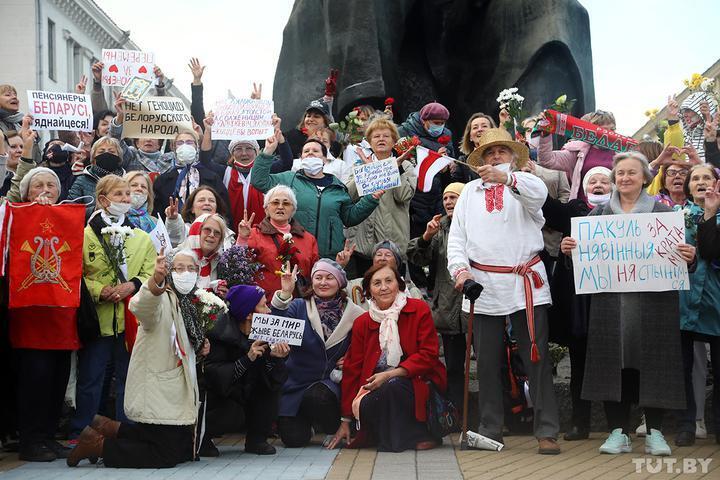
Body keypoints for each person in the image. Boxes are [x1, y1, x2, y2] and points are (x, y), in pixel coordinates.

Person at [560, 151, 694, 456]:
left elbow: (682, 260)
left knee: (655, 364)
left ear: (645, 177)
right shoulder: (599, 216)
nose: (625, 178)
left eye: (632, 173)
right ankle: (617, 431)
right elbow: (582, 265)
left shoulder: (662, 214)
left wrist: (690, 257)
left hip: (654, 304)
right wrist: (570, 252)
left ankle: (655, 432)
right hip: (610, 306)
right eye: (620, 174)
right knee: (611, 365)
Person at [447, 128, 561, 454]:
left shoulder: (525, 185)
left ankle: (547, 430)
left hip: (526, 281)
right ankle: (490, 429)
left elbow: (539, 197)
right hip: (483, 284)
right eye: (489, 152)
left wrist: (506, 179)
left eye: (501, 151)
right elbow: (457, 238)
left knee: (535, 358)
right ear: (480, 158)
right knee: (486, 362)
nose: (495, 156)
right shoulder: (469, 192)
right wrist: (460, 270)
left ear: (512, 156)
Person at [67, 249, 202, 468]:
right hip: (159, 386)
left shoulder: (188, 302)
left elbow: (187, 340)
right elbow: (141, 307)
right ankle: (98, 445)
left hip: (175, 390)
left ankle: (109, 427)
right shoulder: (162, 296)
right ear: (168, 271)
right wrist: (155, 282)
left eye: (191, 268)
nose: (185, 273)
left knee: (185, 450)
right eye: (179, 268)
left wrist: (202, 344)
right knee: (165, 456)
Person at [5, 127, 79, 462]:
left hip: (61, 314)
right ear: (26, 191)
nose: (46, 191)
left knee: (57, 376)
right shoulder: (12, 216)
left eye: (51, 185)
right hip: (30, 312)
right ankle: (30, 438)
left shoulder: (69, 219)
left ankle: (48, 435)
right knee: (34, 376)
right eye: (39, 185)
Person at [70, 175, 156, 440]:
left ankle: (125, 432)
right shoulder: (84, 234)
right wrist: (99, 290)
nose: (125, 199)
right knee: (91, 378)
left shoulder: (142, 237)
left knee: (128, 378)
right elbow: (77, 271)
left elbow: (150, 270)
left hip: (130, 318)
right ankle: (81, 431)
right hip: (98, 317)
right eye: (118, 195)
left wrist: (132, 285)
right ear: (103, 200)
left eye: (127, 194)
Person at [327, 264, 447, 452]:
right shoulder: (362, 322)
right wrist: (345, 420)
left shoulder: (419, 309)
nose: (383, 287)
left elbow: (428, 355)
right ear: (369, 292)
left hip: (417, 381)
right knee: (371, 400)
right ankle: (397, 436)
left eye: (389, 281)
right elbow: (353, 369)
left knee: (393, 386)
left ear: (398, 285)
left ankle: (419, 434)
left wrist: (390, 374)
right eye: (377, 283)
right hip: (375, 387)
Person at [541, 166, 612, 441]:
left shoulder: (626, 215)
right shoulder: (574, 210)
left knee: (613, 366)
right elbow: (549, 210)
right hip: (580, 306)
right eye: (592, 180)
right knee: (580, 364)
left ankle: (617, 425)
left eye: (604, 181)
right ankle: (579, 423)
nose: (597, 185)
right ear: (583, 187)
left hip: (612, 302)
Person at [270, 259, 364, 447]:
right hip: (296, 383)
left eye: (329, 278)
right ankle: (308, 424)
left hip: (330, 384)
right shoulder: (298, 306)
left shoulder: (356, 314)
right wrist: (285, 293)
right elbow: (276, 328)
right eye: (318, 277)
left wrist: (352, 359)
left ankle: (333, 426)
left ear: (340, 282)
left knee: (318, 396)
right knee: (293, 440)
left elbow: (364, 346)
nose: (323, 282)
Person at [251, 135, 379, 259]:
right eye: (306, 151)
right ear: (301, 158)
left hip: (328, 257)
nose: (310, 153)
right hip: (294, 254)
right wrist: (268, 151)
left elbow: (350, 218)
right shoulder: (288, 179)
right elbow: (259, 181)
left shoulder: (338, 187)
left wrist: (371, 199)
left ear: (325, 158)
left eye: (315, 151)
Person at [204, 285, 289, 456]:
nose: (269, 311)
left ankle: (257, 440)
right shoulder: (219, 333)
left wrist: (275, 358)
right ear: (249, 314)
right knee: (231, 415)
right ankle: (203, 439)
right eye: (264, 306)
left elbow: (276, 381)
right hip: (221, 399)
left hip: (247, 394)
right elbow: (214, 377)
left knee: (269, 392)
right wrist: (247, 359)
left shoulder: (267, 332)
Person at [407, 182, 466, 408]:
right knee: (452, 367)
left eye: (454, 197)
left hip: (477, 306)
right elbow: (416, 256)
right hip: (448, 307)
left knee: (492, 364)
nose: (449, 202)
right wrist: (426, 237)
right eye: (446, 198)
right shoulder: (439, 227)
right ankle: (456, 414)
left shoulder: (479, 224)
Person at [674, 164, 720, 446]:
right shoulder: (677, 217)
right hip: (683, 300)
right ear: (689, 188)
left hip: (716, 301)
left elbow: (713, 251)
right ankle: (686, 424)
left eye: (707, 178)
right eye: (696, 179)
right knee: (683, 368)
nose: (701, 182)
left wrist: (712, 213)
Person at [346, 118, 417, 273]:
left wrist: (395, 169)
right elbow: (348, 196)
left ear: (394, 142)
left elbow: (403, 196)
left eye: (386, 136)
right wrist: (369, 171)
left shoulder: (406, 166)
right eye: (376, 136)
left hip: (393, 244)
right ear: (370, 142)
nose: (381, 139)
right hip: (363, 245)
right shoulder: (359, 165)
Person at [236, 185, 319, 300]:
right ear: (266, 209)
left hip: (299, 304)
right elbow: (239, 266)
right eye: (275, 203)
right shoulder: (254, 234)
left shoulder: (308, 239)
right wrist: (243, 238)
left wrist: (340, 265)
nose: (280, 207)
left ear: (293, 210)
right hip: (264, 305)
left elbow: (316, 274)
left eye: (286, 203)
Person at [537, 110, 617, 201]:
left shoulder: (622, 154)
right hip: (583, 210)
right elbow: (547, 160)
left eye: (612, 130)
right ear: (592, 132)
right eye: (604, 131)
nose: (608, 135)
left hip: (615, 209)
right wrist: (546, 134)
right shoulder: (578, 151)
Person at [152, 129, 229, 218]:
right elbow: (157, 213)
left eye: (189, 142)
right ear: (173, 148)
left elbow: (224, 210)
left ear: (197, 147)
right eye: (180, 143)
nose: (185, 146)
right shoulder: (163, 180)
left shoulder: (212, 177)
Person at [345, 240, 423, 309]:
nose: (382, 258)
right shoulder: (358, 285)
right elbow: (336, 291)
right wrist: (340, 265)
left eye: (388, 255)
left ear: (397, 263)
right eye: (378, 255)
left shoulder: (409, 289)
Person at [67, 136, 126, 219]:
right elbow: (69, 209)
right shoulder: (82, 180)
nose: (107, 154)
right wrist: (95, 210)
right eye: (101, 152)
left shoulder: (127, 180)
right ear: (93, 158)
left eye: (111, 152)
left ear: (119, 157)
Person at [165, 185, 234, 248]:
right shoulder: (185, 230)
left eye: (211, 201)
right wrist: (173, 220)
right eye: (201, 200)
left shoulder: (227, 234)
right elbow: (175, 238)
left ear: (216, 208)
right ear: (192, 209)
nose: (207, 203)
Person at [176, 213, 231, 291]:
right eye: (207, 230)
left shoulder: (220, 263)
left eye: (217, 233)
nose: (212, 235)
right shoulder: (178, 256)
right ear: (197, 232)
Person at [0, 130, 22, 196]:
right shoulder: (3, 181)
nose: (20, 150)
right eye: (13, 147)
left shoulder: (32, 177)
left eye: (21, 147)